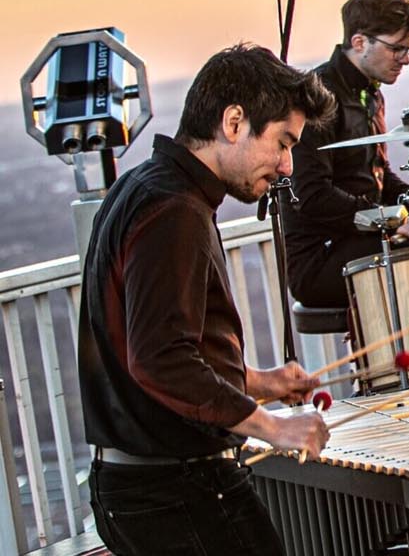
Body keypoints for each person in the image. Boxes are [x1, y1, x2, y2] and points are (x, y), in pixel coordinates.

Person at [79, 43, 337, 555]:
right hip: (173, 489)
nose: (287, 167)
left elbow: (164, 352)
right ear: (234, 121)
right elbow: (161, 360)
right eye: (283, 143)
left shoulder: (149, 187)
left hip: (145, 486)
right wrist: (272, 428)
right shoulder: (173, 209)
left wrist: (261, 383)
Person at [284, 0, 409, 309]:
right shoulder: (317, 96)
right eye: (397, 49)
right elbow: (312, 195)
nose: (405, 60)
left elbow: (377, 173)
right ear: (359, 42)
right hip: (322, 260)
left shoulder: (371, 94)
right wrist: (393, 220)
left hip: (362, 241)